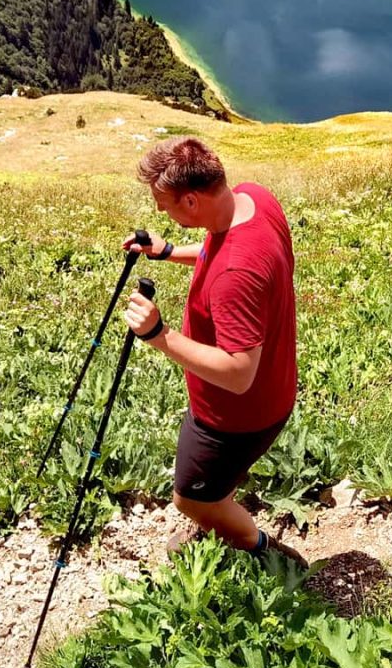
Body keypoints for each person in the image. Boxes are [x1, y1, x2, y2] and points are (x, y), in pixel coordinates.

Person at [123, 137, 304, 563]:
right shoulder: (253, 200)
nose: (160, 212)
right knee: (215, 485)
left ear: (190, 200)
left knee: (191, 499)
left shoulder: (234, 275)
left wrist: (158, 334)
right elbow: (216, 248)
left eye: (164, 205)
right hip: (274, 388)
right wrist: (166, 252)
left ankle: (256, 547)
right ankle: (227, 501)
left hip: (233, 417)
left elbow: (239, 373)